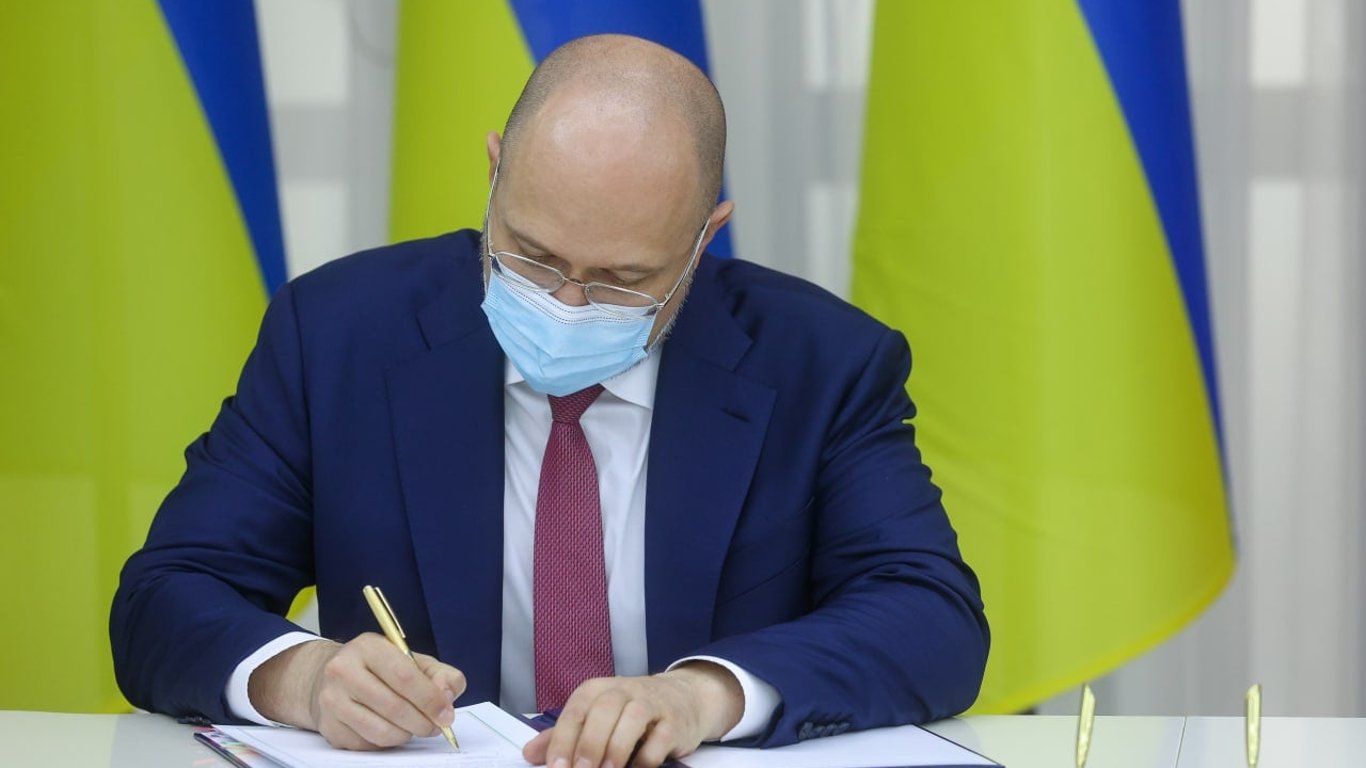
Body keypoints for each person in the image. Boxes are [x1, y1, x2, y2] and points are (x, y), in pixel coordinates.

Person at [110, 33, 988, 768]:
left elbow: (930, 616)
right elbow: (168, 595)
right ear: (495, 171)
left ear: (704, 237)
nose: (566, 305)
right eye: (531, 256)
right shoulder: (341, 334)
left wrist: (703, 695)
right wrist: (302, 679)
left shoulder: (822, 364)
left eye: (623, 279)